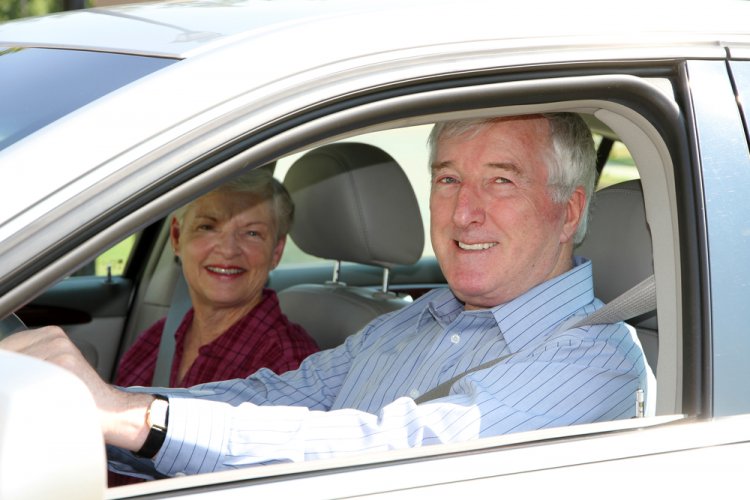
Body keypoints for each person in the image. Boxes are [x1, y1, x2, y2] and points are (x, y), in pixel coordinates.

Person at [0, 113, 650, 481]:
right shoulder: (422, 317)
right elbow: (286, 394)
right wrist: (118, 408)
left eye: (500, 181)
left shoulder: (596, 360)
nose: (463, 213)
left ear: (569, 213)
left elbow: (388, 450)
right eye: (449, 179)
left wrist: (138, 421)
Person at [114, 169, 319, 389]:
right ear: (176, 238)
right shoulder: (156, 339)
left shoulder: (287, 367)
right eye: (207, 227)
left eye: (252, 233)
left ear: (276, 252)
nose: (228, 250)